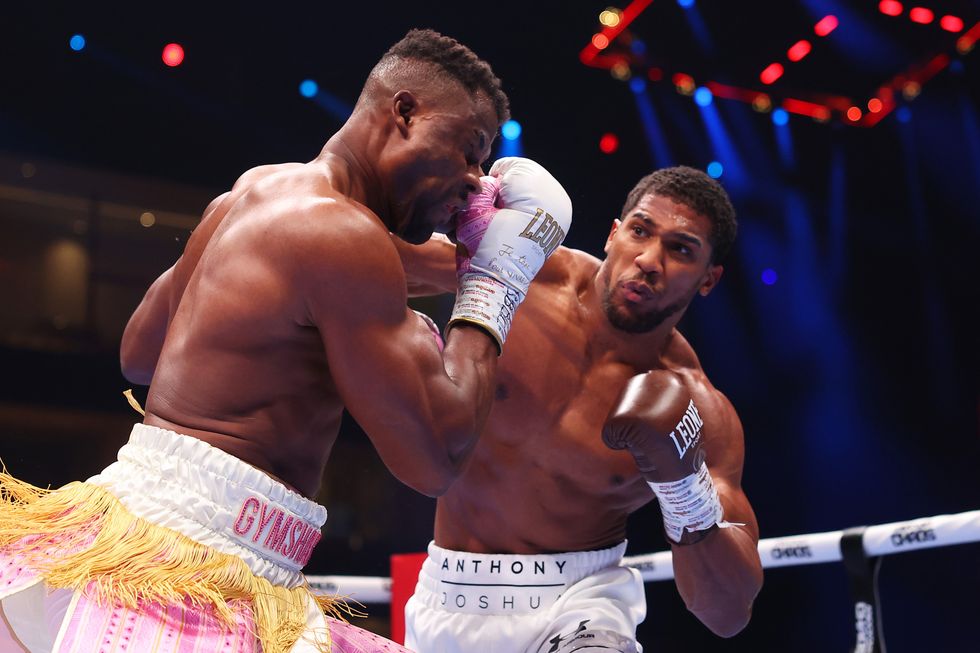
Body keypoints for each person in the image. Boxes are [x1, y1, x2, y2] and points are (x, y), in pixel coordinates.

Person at [0, 29, 572, 653]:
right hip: (199, 565)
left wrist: (484, 254)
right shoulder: (346, 239)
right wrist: (493, 283)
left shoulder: (253, 192)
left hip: (143, 523)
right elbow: (434, 457)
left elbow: (139, 355)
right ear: (405, 112)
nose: (473, 179)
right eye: (469, 149)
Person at [398, 166, 764, 652]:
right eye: (640, 231)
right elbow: (360, 252)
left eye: (681, 250)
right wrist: (445, 205)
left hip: (580, 603)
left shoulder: (698, 407)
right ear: (614, 234)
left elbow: (727, 612)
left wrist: (686, 490)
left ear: (708, 279)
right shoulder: (523, 272)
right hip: (444, 594)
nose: (650, 260)